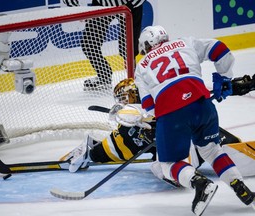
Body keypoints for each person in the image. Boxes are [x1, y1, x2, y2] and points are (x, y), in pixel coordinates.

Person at [113, 25, 255, 215]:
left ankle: (200, 183)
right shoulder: (185, 43)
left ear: (147, 45)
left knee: (167, 165)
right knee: (212, 150)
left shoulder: (142, 65)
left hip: (172, 115)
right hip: (203, 106)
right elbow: (220, 50)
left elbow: (149, 105)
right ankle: (242, 190)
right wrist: (225, 78)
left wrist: (158, 123)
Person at [63, 75, 255, 177]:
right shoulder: (129, 127)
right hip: (187, 152)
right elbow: (111, 148)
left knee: (232, 149)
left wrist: (236, 85)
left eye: (128, 96)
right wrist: (89, 151)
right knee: (163, 167)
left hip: (197, 135)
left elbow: (197, 90)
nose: (126, 101)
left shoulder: (159, 99)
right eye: (123, 99)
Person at [62, 0, 146, 90]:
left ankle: (134, 78)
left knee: (128, 48)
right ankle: (104, 77)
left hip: (131, 6)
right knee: (89, 43)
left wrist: (130, 5)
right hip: (102, 5)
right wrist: (77, 9)